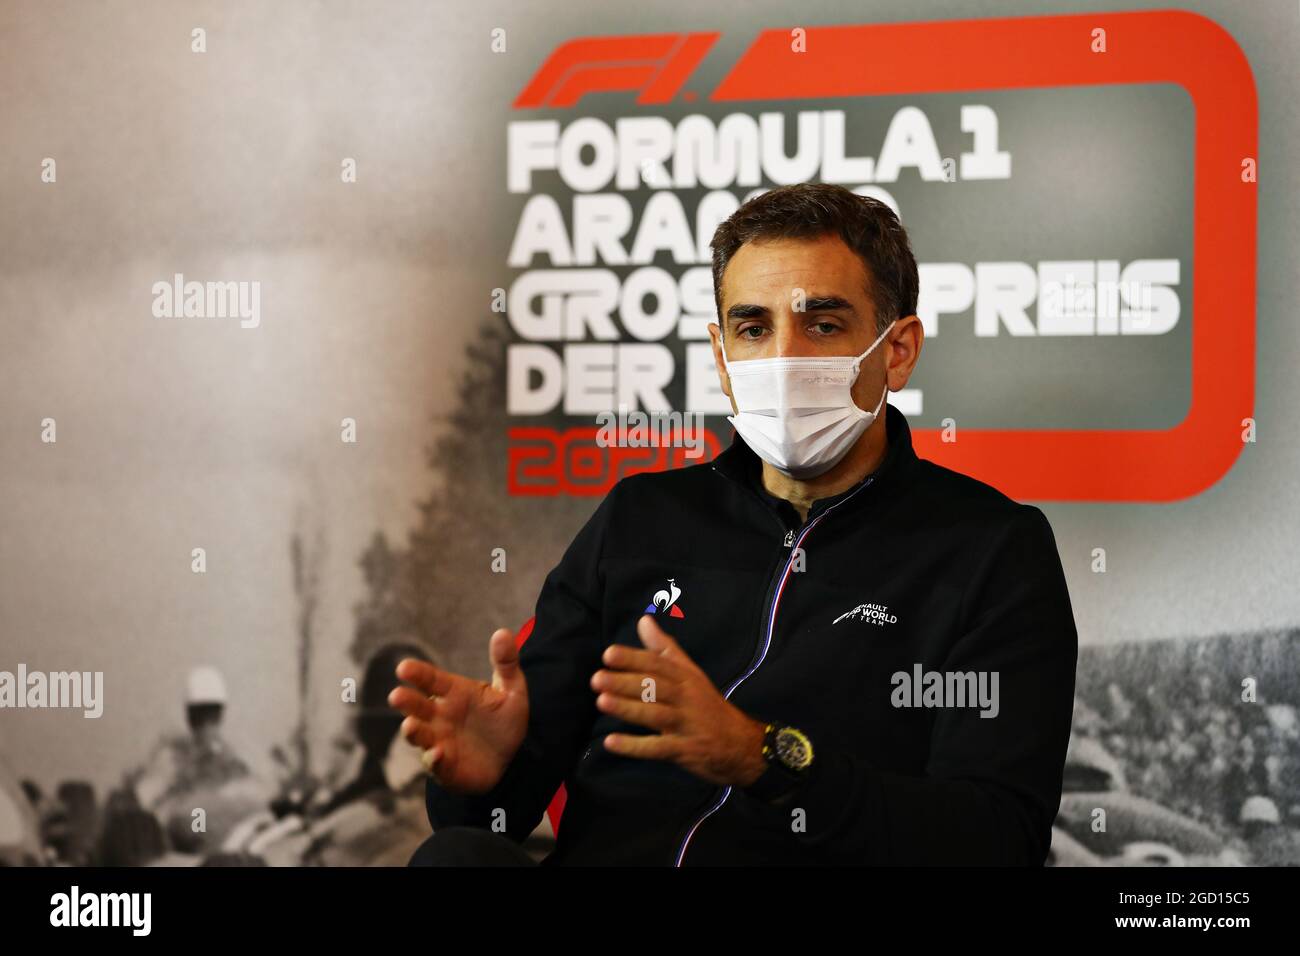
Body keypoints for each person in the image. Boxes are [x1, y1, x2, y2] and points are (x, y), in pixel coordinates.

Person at [393, 183, 1079, 866]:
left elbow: (996, 838)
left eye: (823, 325)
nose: (785, 359)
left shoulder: (992, 551)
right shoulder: (639, 519)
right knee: (456, 858)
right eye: (754, 328)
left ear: (896, 351)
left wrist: (764, 758)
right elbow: (499, 817)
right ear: (722, 358)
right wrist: (486, 779)